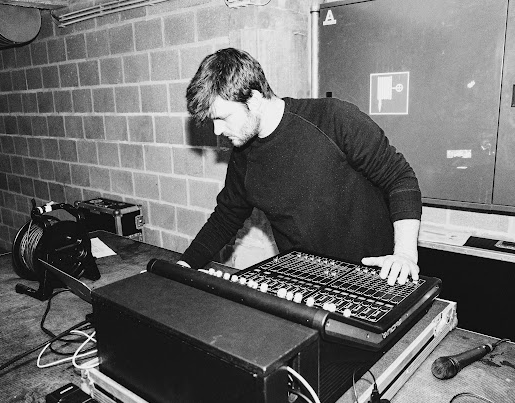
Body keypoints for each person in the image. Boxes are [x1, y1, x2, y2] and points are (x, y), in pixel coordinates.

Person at [177, 47, 422, 286]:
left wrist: (405, 254)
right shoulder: (243, 153)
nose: (217, 131)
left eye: (222, 118)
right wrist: (184, 265)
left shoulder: (334, 118)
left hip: (373, 278)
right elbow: (226, 217)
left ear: (254, 99)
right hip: (305, 283)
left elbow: (400, 178)